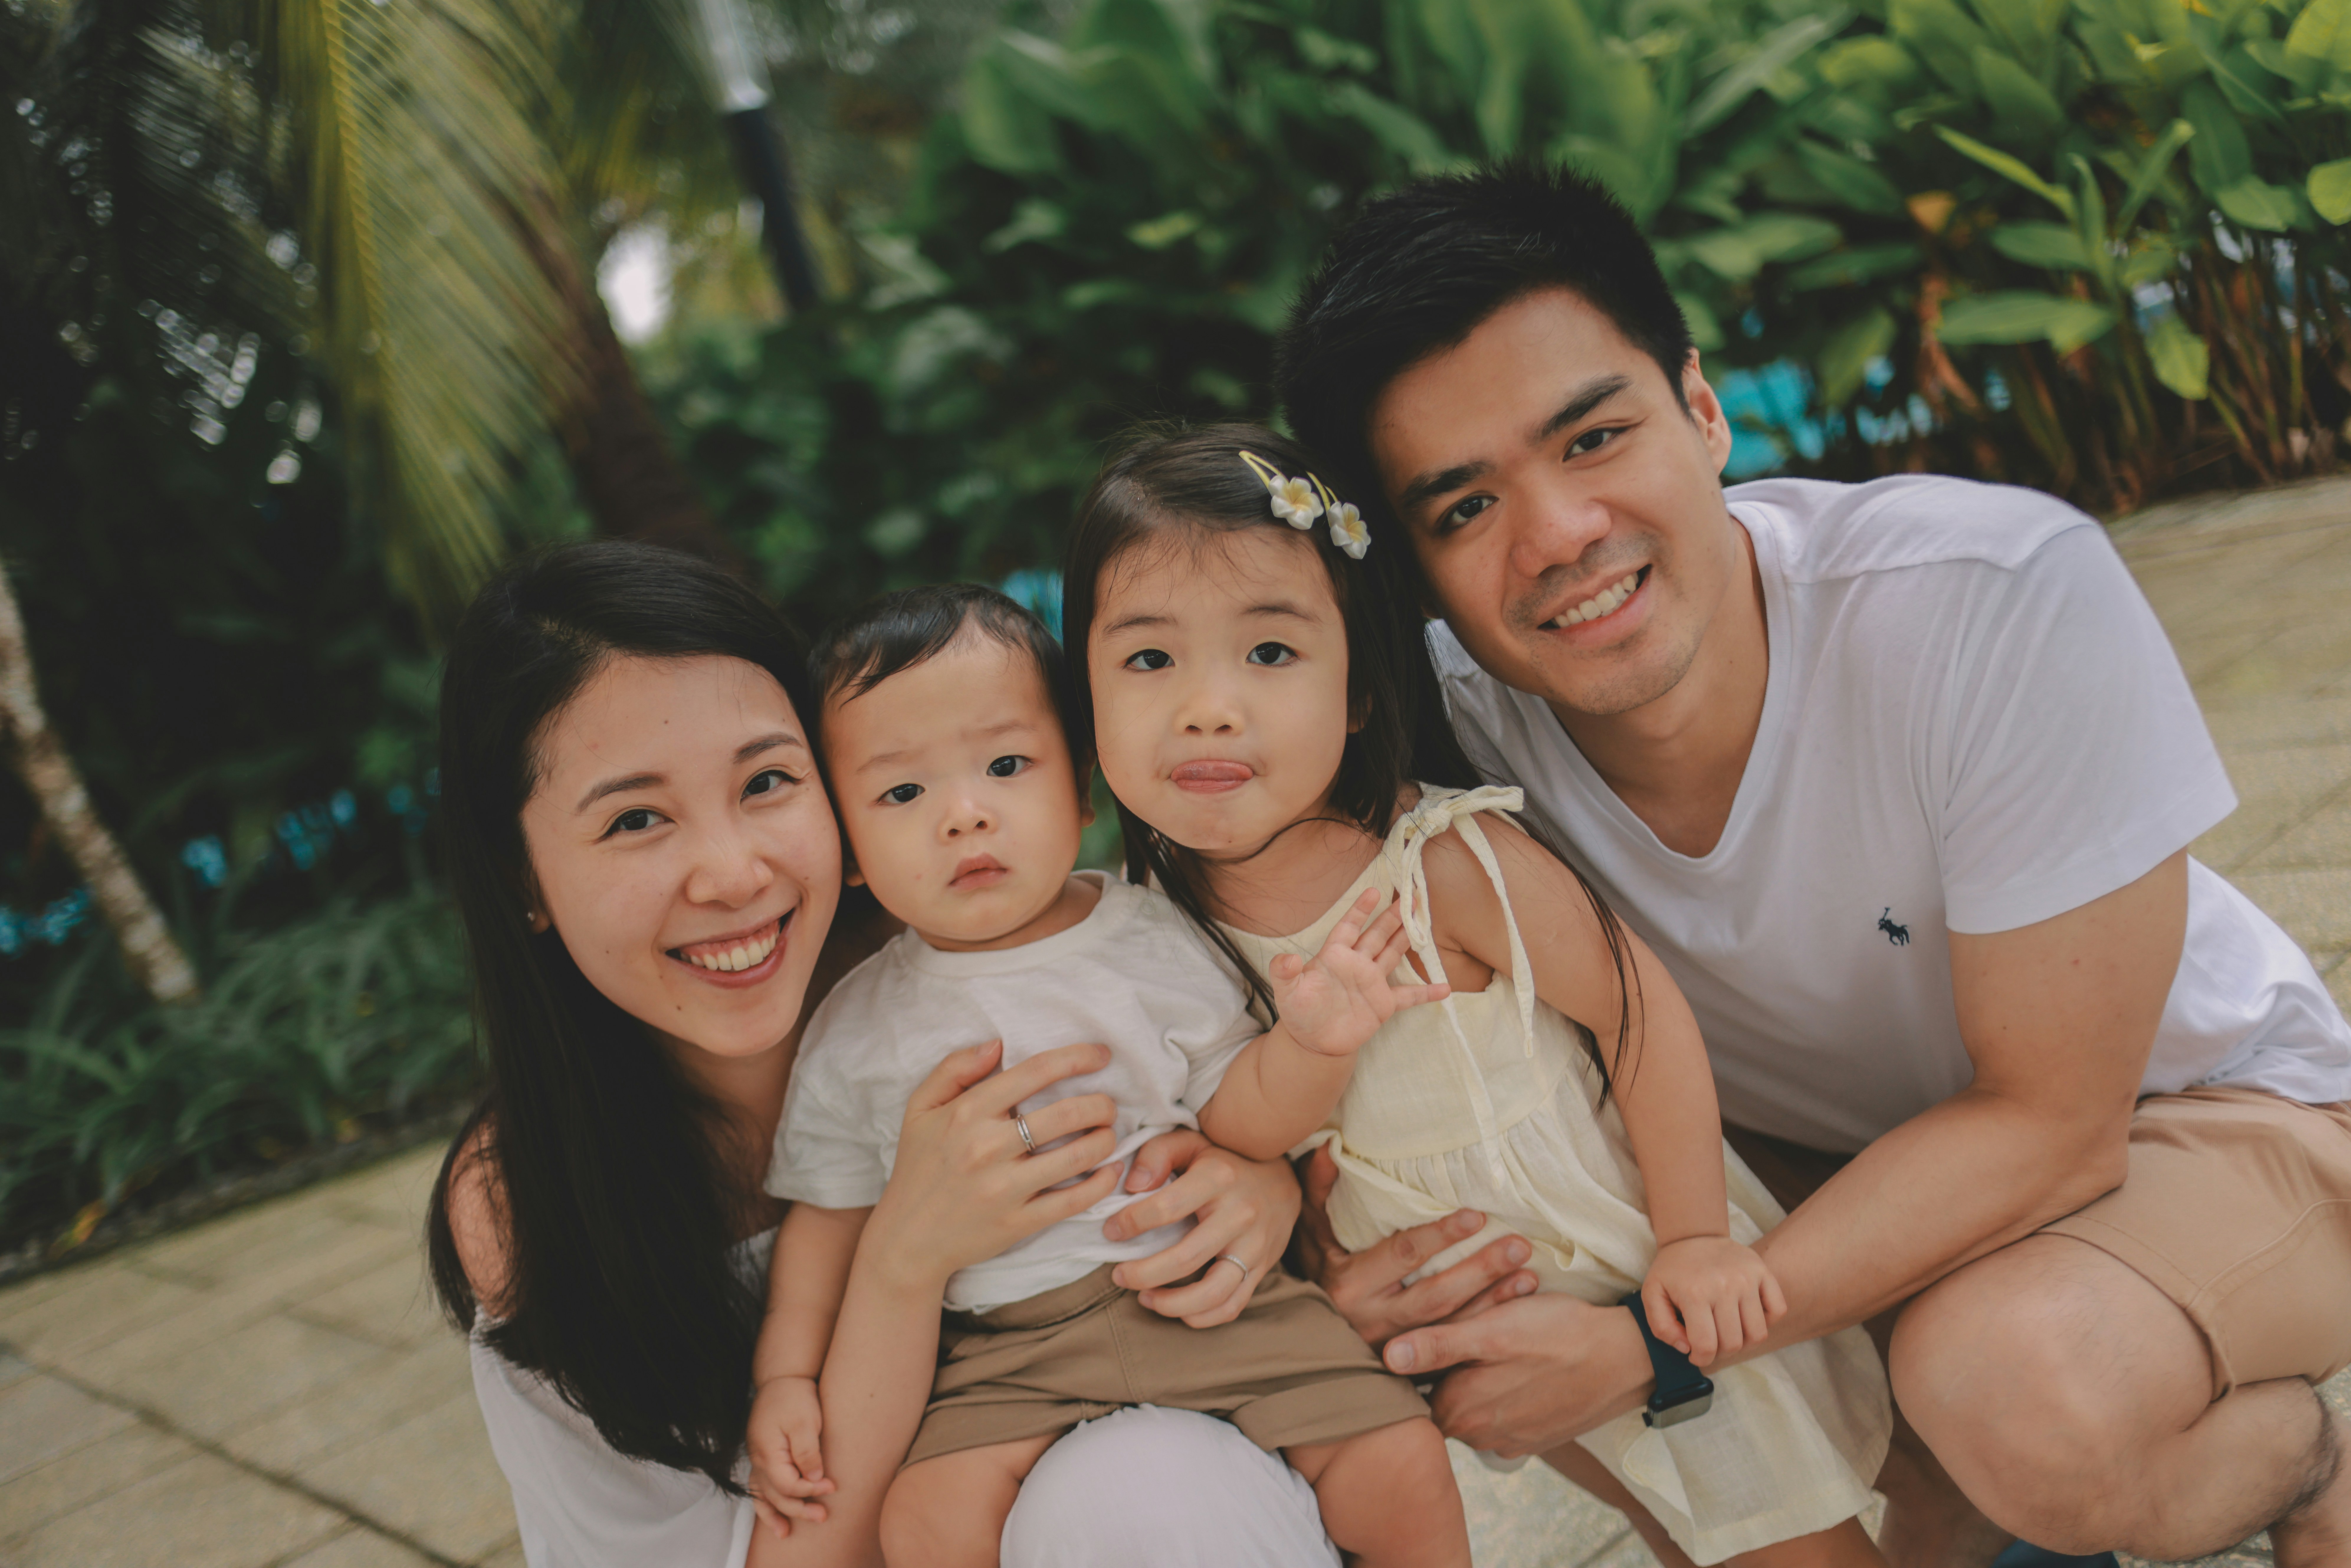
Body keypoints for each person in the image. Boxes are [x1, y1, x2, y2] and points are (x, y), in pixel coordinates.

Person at [1265, 162, 2351, 1566]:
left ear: (1703, 408)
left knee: (2012, 1387)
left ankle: (2308, 1464)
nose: (1558, 538)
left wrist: (1651, 1346)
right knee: (1492, 1256)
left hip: (2207, 1117)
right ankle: (1951, 1482)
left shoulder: (1986, 596)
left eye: (1593, 439)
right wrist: (1319, 1249)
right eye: (1464, 509)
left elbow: (2053, 1124)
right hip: (1835, 1176)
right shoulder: (1444, 743)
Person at [1059, 422, 1893, 1567]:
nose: (1207, 706)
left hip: (1617, 1259)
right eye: (1150, 661)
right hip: (1462, 1317)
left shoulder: (1435, 863)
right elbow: (1232, 1117)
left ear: (1359, 691)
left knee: (1785, 1539)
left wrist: (1697, 1239)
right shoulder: (1155, 922)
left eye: (1270, 652)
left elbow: (1634, 1010)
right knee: (1673, 1536)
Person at [421, 542, 1332, 1567]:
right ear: (522, 878)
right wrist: (901, 1262)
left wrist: (1260, 1186)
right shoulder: (526, 1201)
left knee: (1149, 1484)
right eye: (636, 819)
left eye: (767, 781)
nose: (732, 874)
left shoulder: (980, 967)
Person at [748, 583, 1466, 1566]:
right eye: (902, 794)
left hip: (1218, 1303)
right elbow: (827, 1225)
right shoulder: (854, 1028)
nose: (964, 816)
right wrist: (786, 1378)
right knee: (923, 1521)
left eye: (1006, 766)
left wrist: (1313, 1047)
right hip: (1009, 1353)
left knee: (1401, 1463)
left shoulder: (1154, 933)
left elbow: (1245, 1117)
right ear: (850, 849)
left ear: (1080, 788)